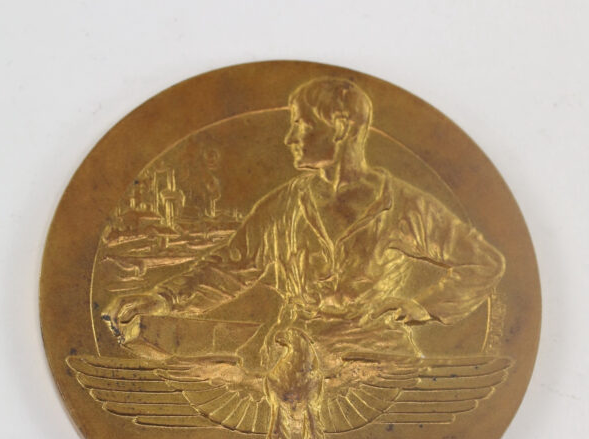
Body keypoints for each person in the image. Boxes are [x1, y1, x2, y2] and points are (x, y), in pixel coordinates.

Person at [104, 77, 505, 368]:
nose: (290, 138)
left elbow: (483, 262)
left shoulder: (404, 205)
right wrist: (163, 299)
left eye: (302, 124)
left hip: (379, 361)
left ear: (341, 128)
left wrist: (425, 306)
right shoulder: (282, 206)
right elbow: (229, 267)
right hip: (294, 358)